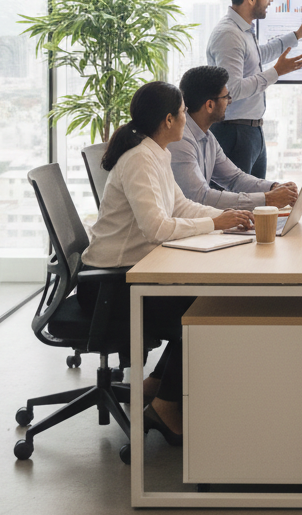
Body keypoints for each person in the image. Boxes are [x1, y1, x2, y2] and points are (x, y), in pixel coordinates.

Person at [81, 81, 253, 444]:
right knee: (205, 311)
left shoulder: (156, 152)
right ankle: (165, 406)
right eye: (181, 113)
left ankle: (158, 386)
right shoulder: (140, 160)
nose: (186, 121)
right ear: (169, 119)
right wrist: (214, 223)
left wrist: (227, 218)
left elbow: (180, 207)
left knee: (205, 301)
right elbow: (156, 227)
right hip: (110, 288)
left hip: (130, 275)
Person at [206, 0, 302, 178]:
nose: (270, 1)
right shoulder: (229, 35)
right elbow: (232, 89)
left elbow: (257, 56)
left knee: (256, 204)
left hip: (251, 132)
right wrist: (276, 72)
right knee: (240, 206)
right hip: (235, 133)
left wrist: (296, 35)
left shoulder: (242, 30)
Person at [170, 65, 299, 210]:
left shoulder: (208, 137)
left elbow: (234, 178)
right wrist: (266, 199)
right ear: (210, 105)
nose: (230, 102)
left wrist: (273, 187)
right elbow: (200, 197)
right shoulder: (180, 140)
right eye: (226, 97)